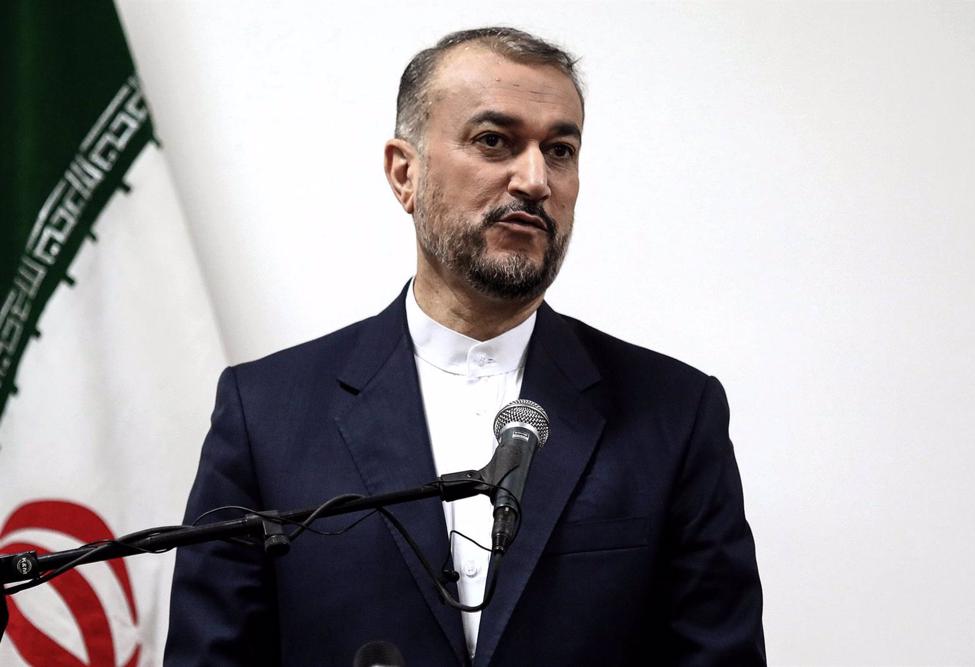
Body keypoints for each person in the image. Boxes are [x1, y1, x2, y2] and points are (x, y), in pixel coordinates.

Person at [165, 27, 765, 666]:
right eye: (494, 141)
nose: (535, 179)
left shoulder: (674, 412)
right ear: (406, 173)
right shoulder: (265, 414)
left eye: (560, 150)